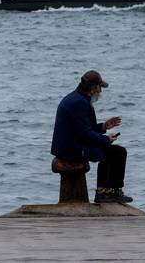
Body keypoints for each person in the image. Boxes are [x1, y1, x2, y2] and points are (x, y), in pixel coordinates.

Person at [51, 70, 133, 204]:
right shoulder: (79, 103)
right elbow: (85, 134)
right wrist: (106, 139)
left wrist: (103, 127)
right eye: (100, 88)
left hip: (71, 144)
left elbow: (84, 129)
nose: (100, 91)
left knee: (106, 149)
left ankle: (104, 192)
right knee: (118, 152)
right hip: (71, 149)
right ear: (94, 88)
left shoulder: (77, 98)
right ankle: (109, 192)